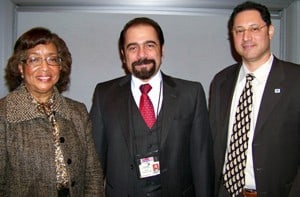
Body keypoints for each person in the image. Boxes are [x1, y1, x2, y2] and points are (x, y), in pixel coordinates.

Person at [90, 17, 213, 197]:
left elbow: (202, 160)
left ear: (162, 50)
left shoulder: (191, 93)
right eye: (133, 47)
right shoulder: (104, 94)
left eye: (149, 45)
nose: (142, 55)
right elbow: (94, 162)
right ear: (123, 55)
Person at [209, 1, 300, 197]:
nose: (246, 37)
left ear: (270, 31)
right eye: (239, 30)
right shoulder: (221, 82)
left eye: (254, 28)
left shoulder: (296, 80)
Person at [0, 27, 104, 196]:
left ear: (61, 66)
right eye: (34, 59)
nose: (45, 67)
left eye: (52, 59)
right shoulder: (4, 115)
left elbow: (93, 173)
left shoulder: (77, 111)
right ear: (20, 67)